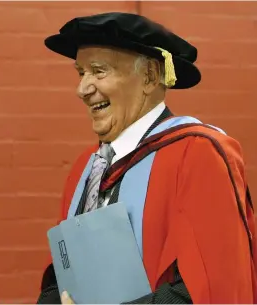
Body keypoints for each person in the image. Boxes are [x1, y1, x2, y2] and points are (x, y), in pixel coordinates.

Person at [36, 12, 256, 304]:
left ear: (150, 77)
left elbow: (212, 289)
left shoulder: (198, 156)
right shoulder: (86, 169)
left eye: (99, 71)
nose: (82, 89)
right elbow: (64, 274)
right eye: (81, 73)